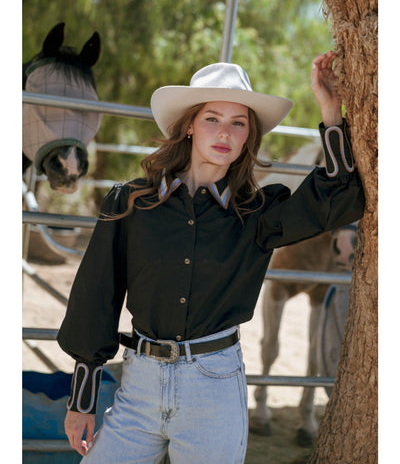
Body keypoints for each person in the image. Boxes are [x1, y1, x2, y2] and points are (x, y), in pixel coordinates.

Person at [57, 51, 364, 463]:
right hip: (139, 390)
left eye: (238, 123)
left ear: (247, 137)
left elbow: (340, 198)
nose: (225, 133)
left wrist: (329, 110)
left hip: (214, 389)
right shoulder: (131, 203)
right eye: (212, 119)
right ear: (189, 126)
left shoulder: (258, 214)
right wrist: (82, 400)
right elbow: (96, 300)